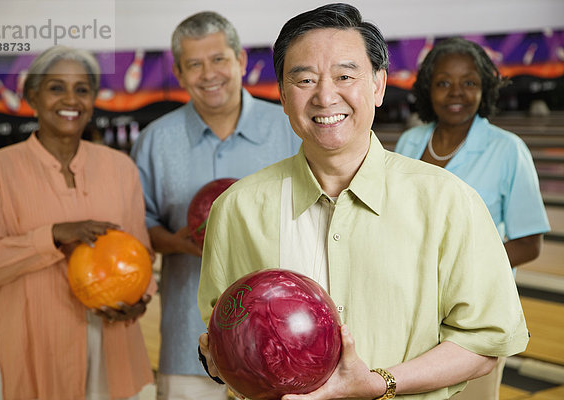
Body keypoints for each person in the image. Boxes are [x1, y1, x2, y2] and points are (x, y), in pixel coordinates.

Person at [197, 4, 529, 400]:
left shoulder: (448, 201)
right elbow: (223, 334)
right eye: (304, 79)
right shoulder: (237, 209)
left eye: (345, 75)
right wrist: (220, 361)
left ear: (377, 85)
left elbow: (484, 342)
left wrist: (379, 383)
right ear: (283, 96)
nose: (325, 95)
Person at [0, 46, 155, 400]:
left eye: (82, 89)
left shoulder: (121, 169)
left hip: (111, 343)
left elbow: (140, 251)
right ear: (32, 96)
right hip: (36, 345)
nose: (71, 99)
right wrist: (52, 236)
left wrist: (140, 299)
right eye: (56, 88)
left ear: (93, 99)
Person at [130, 11, 301, 400]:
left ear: (240, 60)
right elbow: (139, 224)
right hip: (188, 342)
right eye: (195, 64)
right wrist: (177, 242)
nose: (209, 73)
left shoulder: (291, 128)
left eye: (219, 59)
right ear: (179, 72)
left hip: (282, 343)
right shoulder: (155, 142)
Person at [394, 37, 550, 400]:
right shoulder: (409, 142)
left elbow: (530, 243)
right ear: (427, 89)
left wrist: (459, 270)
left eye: (469, 82)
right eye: (444, 82)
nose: (456, 93)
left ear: (485, 88)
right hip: (412, 306)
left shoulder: (508, 149)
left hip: (475, 312)